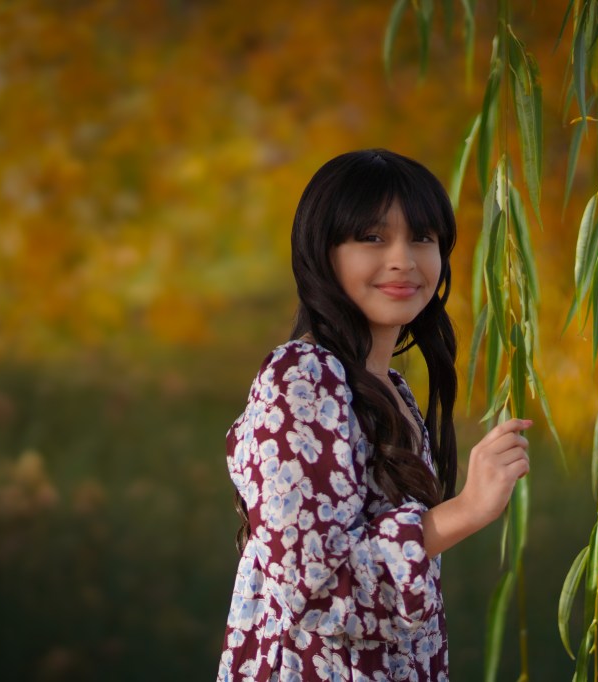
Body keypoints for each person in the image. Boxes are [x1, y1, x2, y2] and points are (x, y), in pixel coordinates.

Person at [217, 149, 531, 681]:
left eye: (423, 238)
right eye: (372, 237)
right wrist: (466, 510)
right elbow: (316, 591)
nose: (403, 259)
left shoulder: (388, 389)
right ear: (322, 252)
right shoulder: (303, 379)